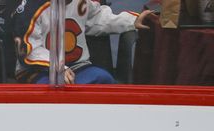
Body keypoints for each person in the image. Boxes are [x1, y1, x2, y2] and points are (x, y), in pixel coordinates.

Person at [12, 0, 153, 84]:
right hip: (38, 69)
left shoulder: (81, 2)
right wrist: (57, 66)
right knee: (51, 93)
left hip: (77, 66)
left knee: (104, 80)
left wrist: (132, 20)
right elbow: (28, 49)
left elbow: (98, 18)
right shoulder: (29, 8)